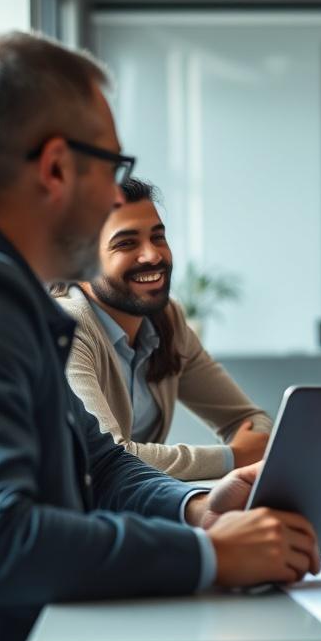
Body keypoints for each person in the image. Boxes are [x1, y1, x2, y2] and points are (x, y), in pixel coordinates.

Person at [0, 32, 319, 641]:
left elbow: (101, 461)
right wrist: (208, 556)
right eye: (113, 165)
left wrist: (197, 509)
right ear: (56, 167)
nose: (119, 192)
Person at [54, 177, 271, 481]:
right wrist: (231, 457)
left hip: (146, 509)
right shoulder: (65, 328)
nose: (153, 255)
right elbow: (106, 458)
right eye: (126, 243)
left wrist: (248, 451)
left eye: (158, 237)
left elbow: (249, 422)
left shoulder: (167, 319)